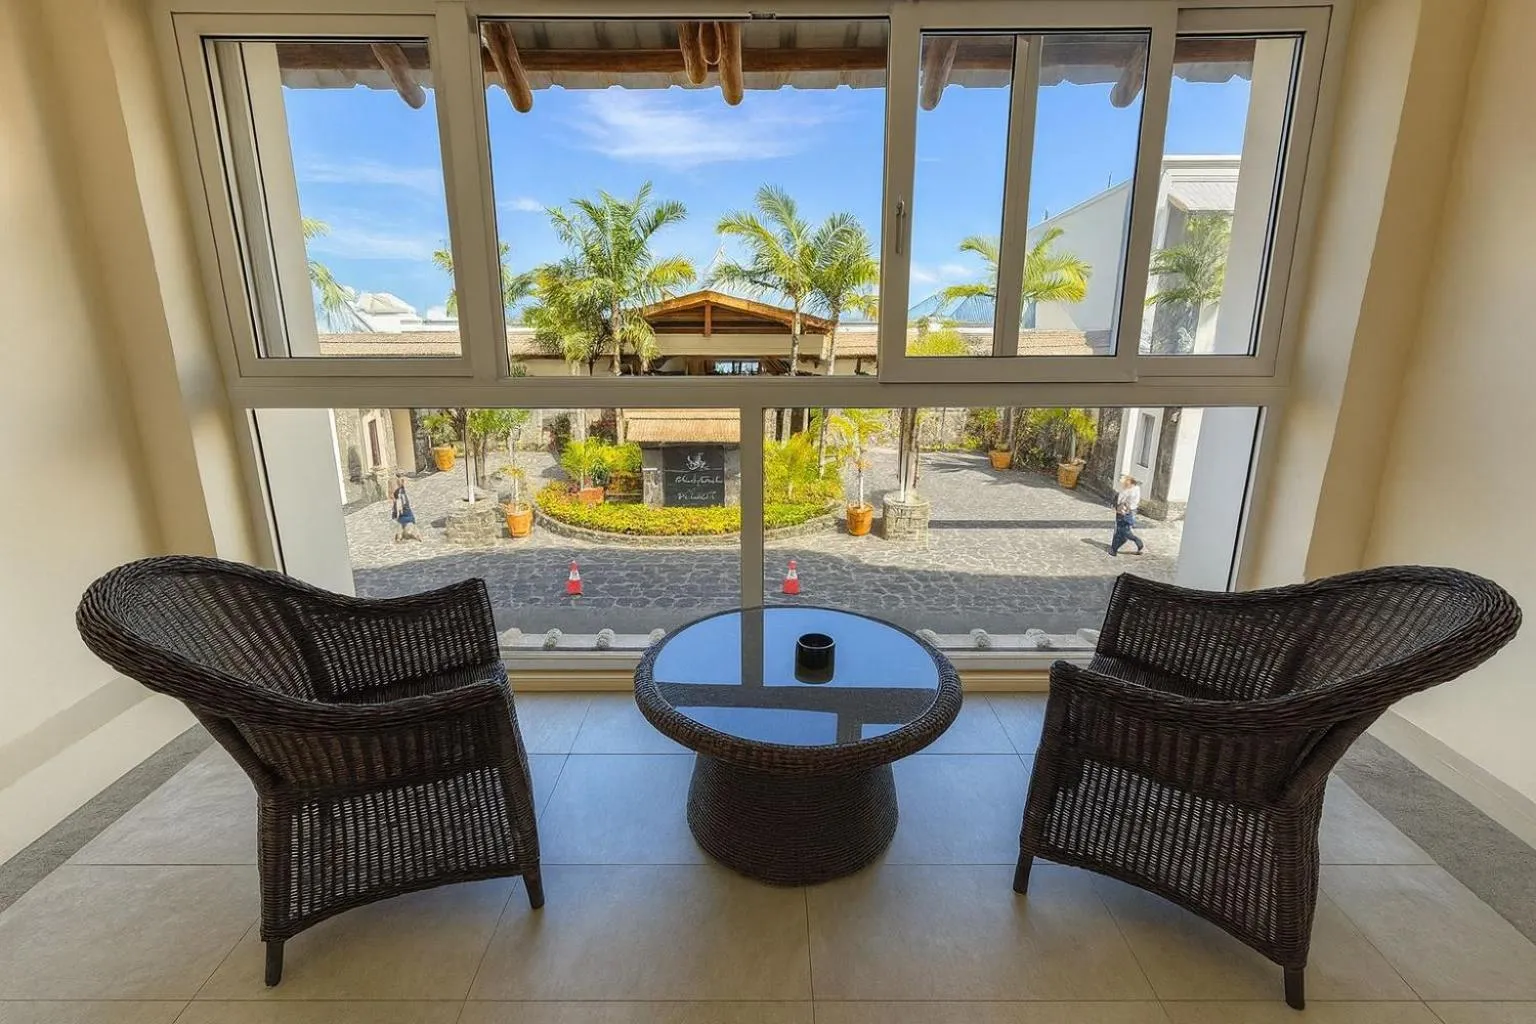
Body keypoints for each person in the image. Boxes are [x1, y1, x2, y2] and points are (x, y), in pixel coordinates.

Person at [1110, 473, 1144, 556]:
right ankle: (1114, 548)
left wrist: (1116, 506)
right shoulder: (1137, 489)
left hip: (1123, 512)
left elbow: (1119, 501)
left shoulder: (1126, 491)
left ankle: (1135, 541)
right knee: (1124, 529)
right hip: (1132, 511)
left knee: (1121, 531)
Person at [391, 474, 421, 542]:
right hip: (409, 518)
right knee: (412, 529)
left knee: (400, 530)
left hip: (402, 519)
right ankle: (418, 537)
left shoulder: (397, 503)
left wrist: (393, 516)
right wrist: (400, 479)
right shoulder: (404, 497)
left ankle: (399, 539)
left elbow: (395, 513)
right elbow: (402, 487)